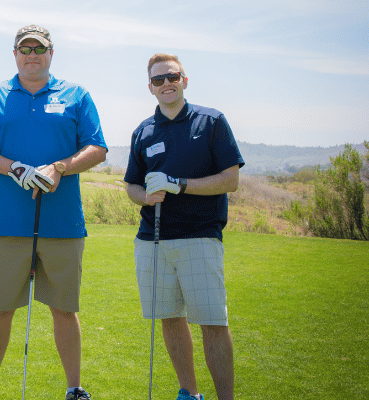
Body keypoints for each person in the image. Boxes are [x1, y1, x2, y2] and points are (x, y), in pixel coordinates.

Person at [0, 25, 107, 400]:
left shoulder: (76, 95)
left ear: (51, 53)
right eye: (24, 48)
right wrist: (15, 168)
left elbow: (97, 148)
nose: (32, 54)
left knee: (64, 309)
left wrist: (59, 167)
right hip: (5, 221)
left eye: (39, 48)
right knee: (0, 308)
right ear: (14, 54)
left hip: (62, 223)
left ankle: (74, 388)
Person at [124, 53, 243, 400]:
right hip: (153, 239)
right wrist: (145, 196)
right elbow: (131, 184)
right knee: (169, 318)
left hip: (200, 235)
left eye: (172, 77)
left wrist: (180, 183)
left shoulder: (211, 121)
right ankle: (189, 394)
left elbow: (231, 179)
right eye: (158, 80)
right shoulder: (143, 131)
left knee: (212, 323)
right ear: (150, 87)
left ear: (184, 80)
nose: (166, 84)